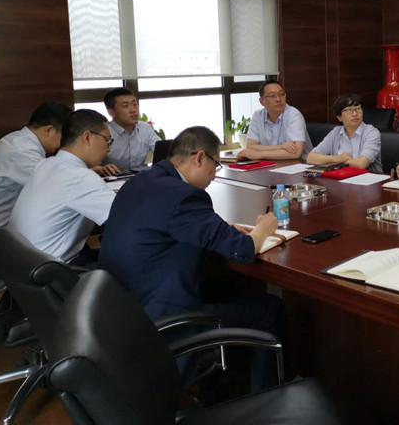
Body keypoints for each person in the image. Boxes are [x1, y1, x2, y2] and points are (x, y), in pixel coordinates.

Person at [99, 126, 283, 391]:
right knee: (270, 308)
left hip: (123, 306)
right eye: (215, 165)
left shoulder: (142, 181)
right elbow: (242, 249)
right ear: (199, 158)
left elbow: (167, 222)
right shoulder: (185, 196)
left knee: (231, 285)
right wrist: (263, 229)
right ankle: (267, 398)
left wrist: (222, 228)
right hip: (162, 315)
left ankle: (223, 381)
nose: (214, 174)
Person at [8, 109, 117, 264]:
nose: (108, 148)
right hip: (52, 269)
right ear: (87, 137)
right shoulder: (80, 177)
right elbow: (125, 218)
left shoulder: (46, 164)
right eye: (107, 140)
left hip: (21, 262)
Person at [0, 102, 72, 230]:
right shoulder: (21, 150)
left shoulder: (17, 139)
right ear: (49, 130)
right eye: (65, 136)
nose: (66, 142)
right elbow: (55, 186)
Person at [236, 81, 312, 162]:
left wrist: (260, 154)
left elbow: (296, 153)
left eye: (281, 94)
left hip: (300, 164)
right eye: (272, 96)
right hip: (271, 163)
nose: (278, 99)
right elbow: (251, 147)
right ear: (261, 101)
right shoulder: (258, 116)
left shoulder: (294, 115)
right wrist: (281, 147)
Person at [307, 94, 382, 173]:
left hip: (367, 179)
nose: (355, 114)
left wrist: (337, 162)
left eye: (358, 109)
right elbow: (311, 158)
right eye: (349, 110)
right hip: (341, 177)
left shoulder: (372, 133)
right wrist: (338, 158)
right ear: (339, 117)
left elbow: (361, 164)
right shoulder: (335, 133)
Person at [103, 87, 161, 172]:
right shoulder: (103, 132)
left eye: (135, 104)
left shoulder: (145, 128)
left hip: (141, 176)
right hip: (112, 178)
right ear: (111, 112)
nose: (133, 110)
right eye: (125, 106)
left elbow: (161, 152)